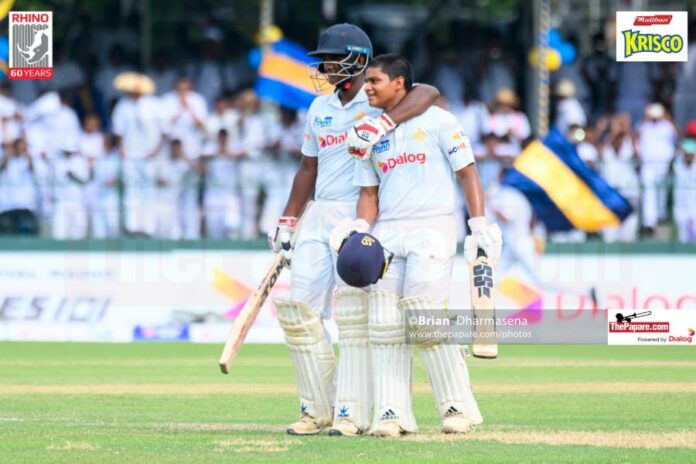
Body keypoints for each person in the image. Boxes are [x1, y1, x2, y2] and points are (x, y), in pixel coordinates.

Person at [267, 24, 440, 437]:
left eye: (332, 58)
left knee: (356, 318)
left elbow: (428, 92)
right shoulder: (319, 108)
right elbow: (307, 168)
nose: (325, 66)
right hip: (319, 214)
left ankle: (352, 410)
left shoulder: (378, 97)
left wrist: (384, 123)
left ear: (359, 60)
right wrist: (288, 220)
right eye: (323, 59)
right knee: (300, 315)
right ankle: (315, 408)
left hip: (361, 214)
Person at [336, 54, 502, 436]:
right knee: (384, 322)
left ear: (399, 83)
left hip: (433, 225)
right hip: (388, 231)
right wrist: (360, 227)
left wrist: (478, 224)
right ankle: (393, 413)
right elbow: (368, 192)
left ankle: (457, 408)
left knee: (424, 316)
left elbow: (468, 172)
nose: (368, 88)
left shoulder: (440, 120)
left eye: (375, 81)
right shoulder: (367, 131)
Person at [673, 122, 696, 243]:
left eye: (691, 155)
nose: (689, 157)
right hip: (681, 206)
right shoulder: (679, 164)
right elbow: (676, 155)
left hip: (694, 205)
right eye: (687, 154)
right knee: (683, 238)